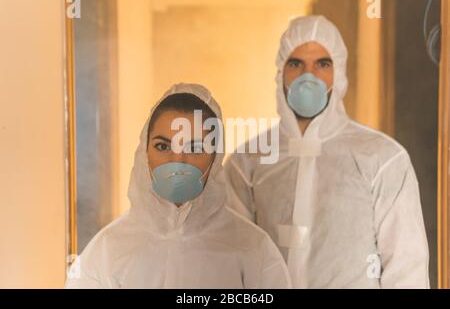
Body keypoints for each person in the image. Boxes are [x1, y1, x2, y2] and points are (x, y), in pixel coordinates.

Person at [224, 15, 429, 288]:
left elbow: (406, 266)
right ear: (280, 73)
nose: (308, 76)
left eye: (322, 64)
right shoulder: (248, 161)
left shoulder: (382, 158)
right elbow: (229, 261)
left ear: (339, 73)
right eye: (296, 63)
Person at [65, 83, 291, 288]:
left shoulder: (253, 249)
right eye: (163, 147)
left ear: (215, 158)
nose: (177, 161)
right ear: (145, 152)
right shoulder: (106, 251)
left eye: (194, 148)